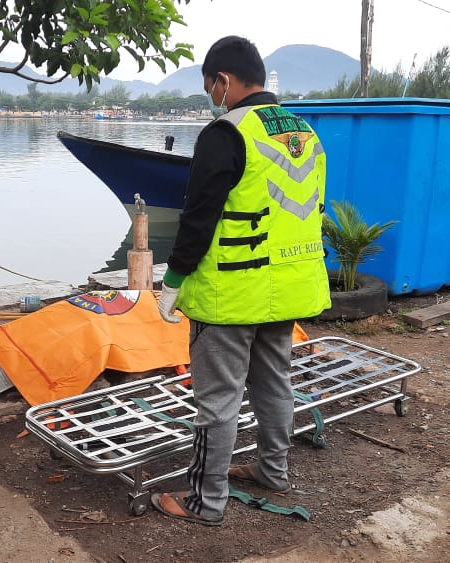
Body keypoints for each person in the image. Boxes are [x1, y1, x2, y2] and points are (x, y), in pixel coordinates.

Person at [152, 35, 331, 526]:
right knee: (275, 383)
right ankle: (274, 471)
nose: (212, 95)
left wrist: (174, 281)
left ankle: (204, 501)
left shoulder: (226, 132)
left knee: (218, 399)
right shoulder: (305, 132)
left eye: (210, 86)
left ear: (223, 81)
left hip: (229, 294)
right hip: (291, 287)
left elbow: (199, 216)